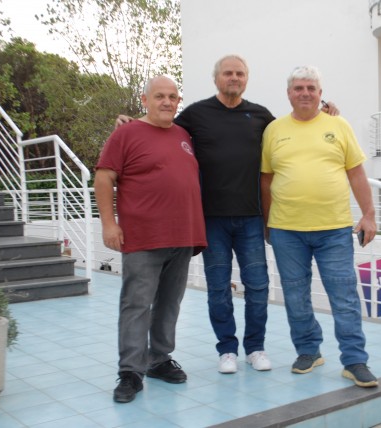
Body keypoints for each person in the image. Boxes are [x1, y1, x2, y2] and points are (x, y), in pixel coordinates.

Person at [116, 55, 338, 375]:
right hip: (211, 220)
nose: (234, 77)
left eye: (240, 73)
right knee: (219, 289)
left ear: (246, 79)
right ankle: (227, 350)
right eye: (228, 73)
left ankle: (255, 347)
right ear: (216, 78)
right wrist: (132, 121)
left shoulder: (261, 116)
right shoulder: (196, 114)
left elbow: (293, 129)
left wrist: (323, 115)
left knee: (258, 286)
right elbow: (160, 123)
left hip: (251, 218)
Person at [260, 65, 379, 388]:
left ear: (320, 94)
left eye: (311, 88)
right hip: (286, 230)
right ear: (289, 93)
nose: (305, 93)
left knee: (344, 297)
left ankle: (354, 360)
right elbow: (266, 179)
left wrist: (369, 214)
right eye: (299, 88)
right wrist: (267, 222)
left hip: (334, 229)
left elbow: (356, 173)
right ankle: (308, 351)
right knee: (295, 296)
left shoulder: (338, 125)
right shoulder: (273, 130)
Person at [95, 75, 207, 403]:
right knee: (136, 304)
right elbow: (104, 178)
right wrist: (109, 224)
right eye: (160, 96)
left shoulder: (183, 135)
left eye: (173, 96)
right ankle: (130, 371)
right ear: (145, 100)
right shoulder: (125, 134)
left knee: (170, 303)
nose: (167, 102)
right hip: (143, 236)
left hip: (182, 234)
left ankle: (158, 359)